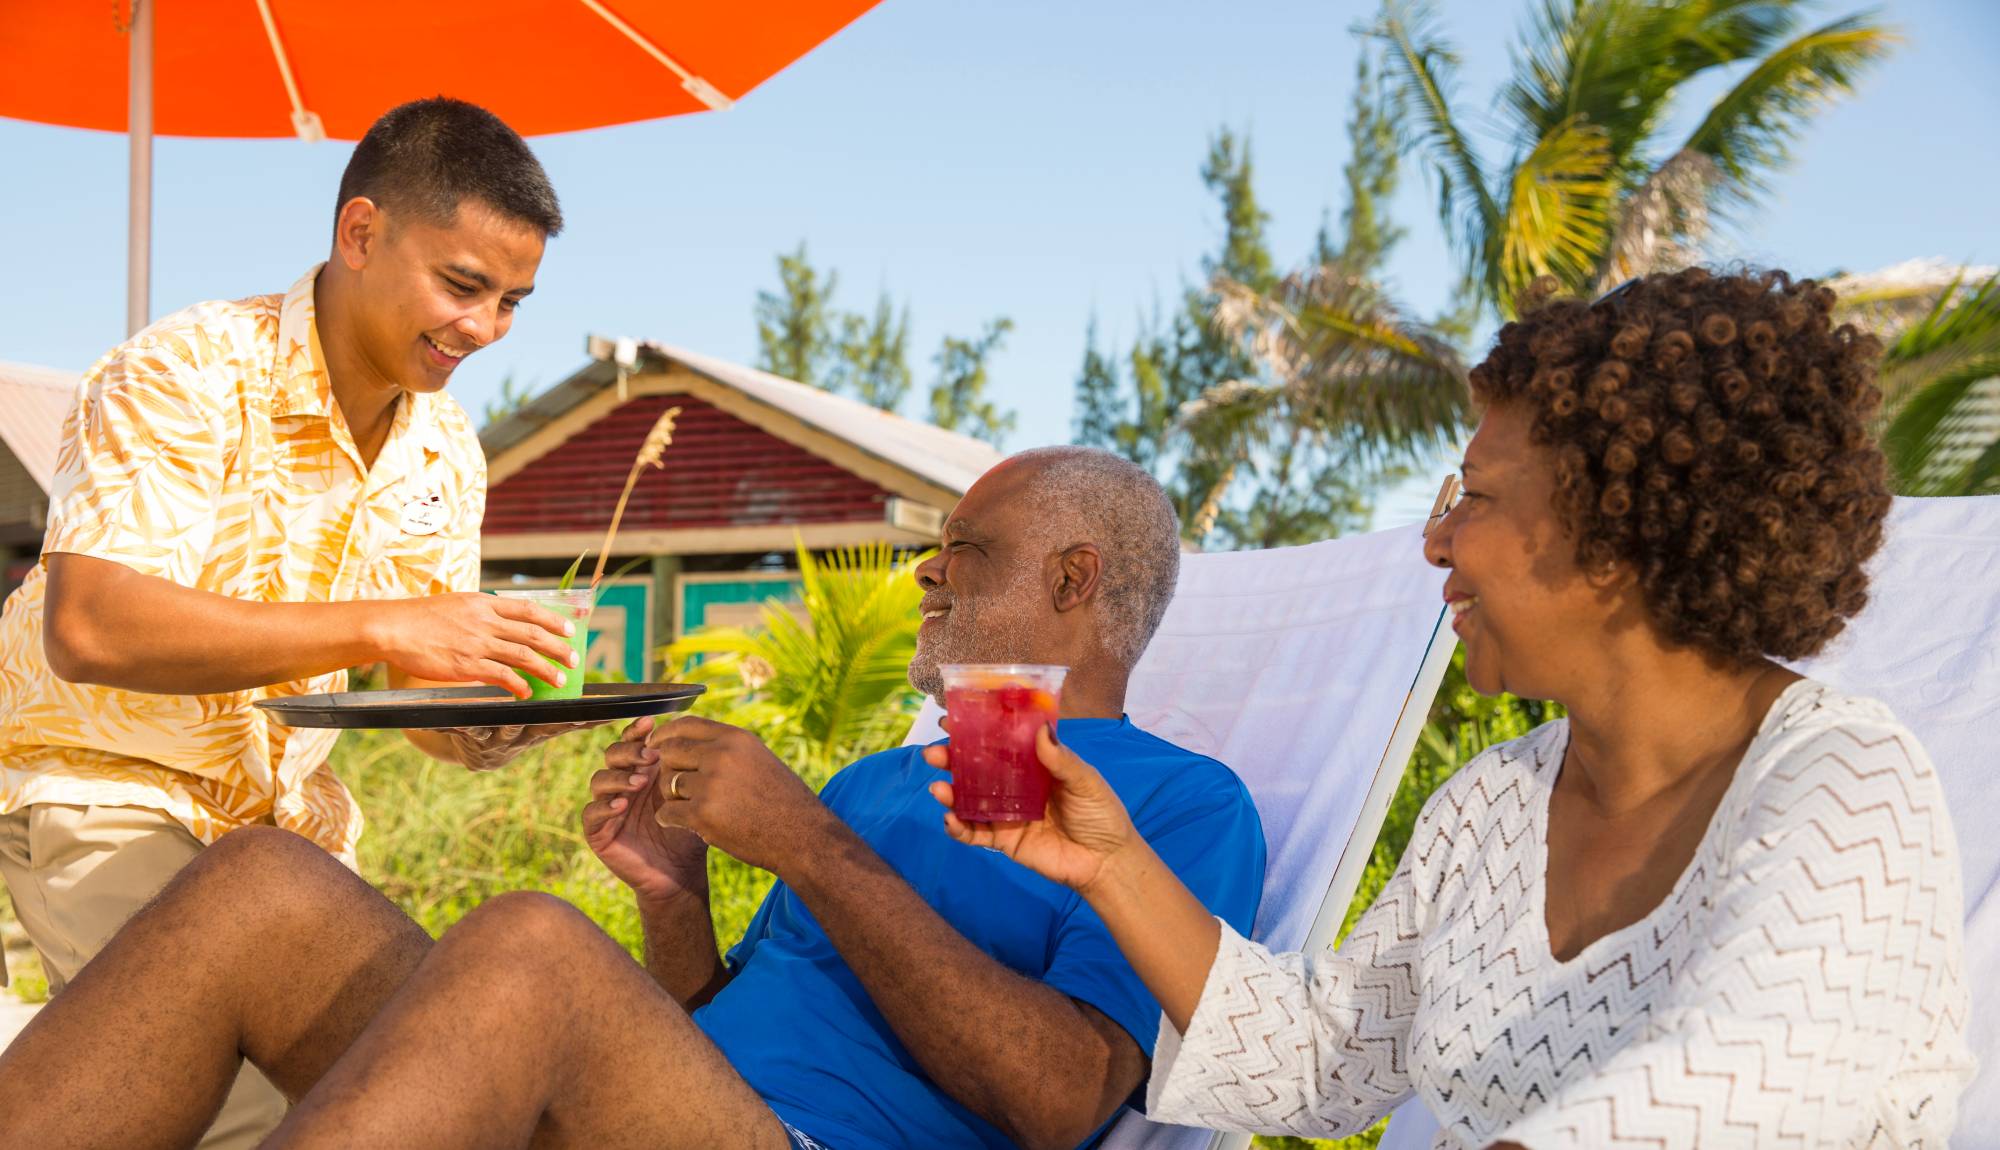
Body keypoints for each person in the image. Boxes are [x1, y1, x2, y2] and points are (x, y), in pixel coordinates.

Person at [931, 269, 1976, 1147]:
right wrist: (1108, 862)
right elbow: (1325, 1055)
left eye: (1471, 497)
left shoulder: (1843, 784)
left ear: (1612, 528)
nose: (1433, 542)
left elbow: (1720, 1088)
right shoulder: (1494, 805)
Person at [0, 446, 1268, 1150]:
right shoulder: (886, 778)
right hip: (659, 1116)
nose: (926, 572)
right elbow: (717, 1031)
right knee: (264, 887)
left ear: (1074, 576)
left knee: (532, 946)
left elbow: (1060, 1100)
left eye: (962, 550)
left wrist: (809, 843)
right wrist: (675, 894)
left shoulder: (1178, 805)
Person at [0, 97, 584, 1149]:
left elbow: (422, 709)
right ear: (359, 234)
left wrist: (495, 721)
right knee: (265, 1121)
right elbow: (88, 627)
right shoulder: (182, 369)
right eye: (463, 285)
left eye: (511, 301)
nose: (485, 328)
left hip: (292, 839)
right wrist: (388, 625)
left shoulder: (445, 448)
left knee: (431, 1093)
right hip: (108, 793)